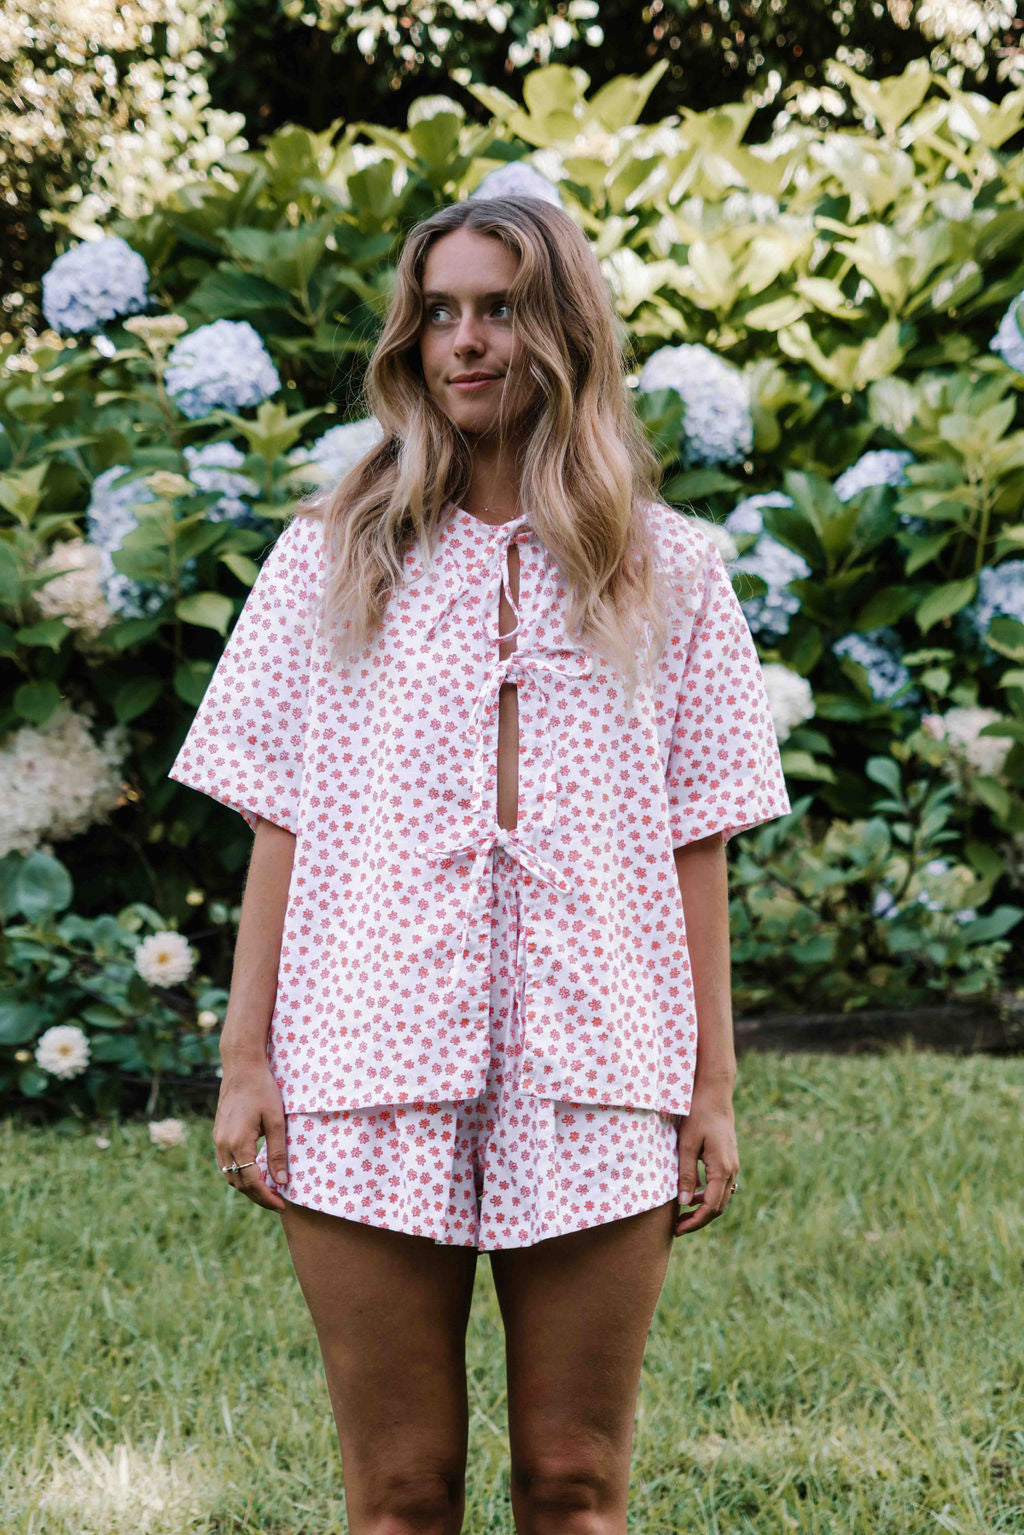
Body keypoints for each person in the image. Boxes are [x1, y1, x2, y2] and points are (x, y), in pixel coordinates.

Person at [168, 194, 792, 1535]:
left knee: (575, 1487)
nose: (464, 341)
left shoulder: (672, 573)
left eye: (499, 309)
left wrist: (712, 1088)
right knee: (400, 1496)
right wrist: (246, 1061)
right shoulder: (329, 561)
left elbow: (702, 841)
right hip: (365, 1066)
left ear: (561, 331)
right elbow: (279, 816)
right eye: (439, 313)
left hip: (600, 1071)